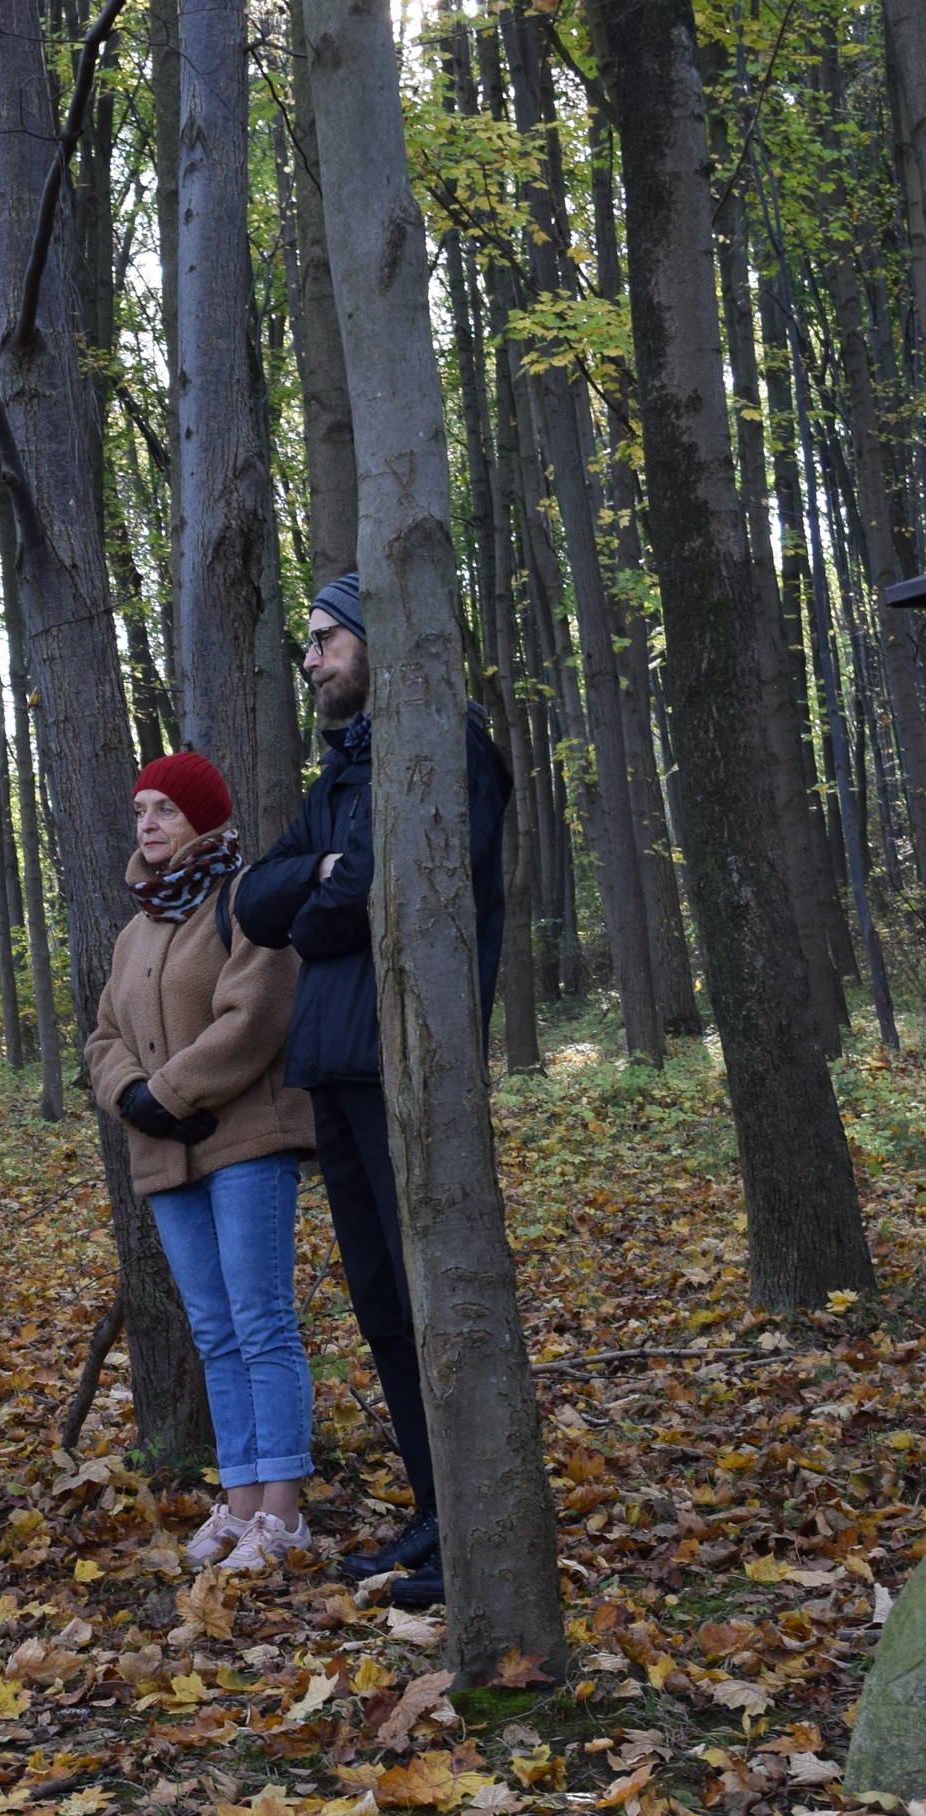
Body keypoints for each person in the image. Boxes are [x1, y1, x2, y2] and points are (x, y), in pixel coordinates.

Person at [233, 571, 512, 1597]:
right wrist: (316, 878)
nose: (309, 661)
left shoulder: (444, 752)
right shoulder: (339, 772)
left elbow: (362, 896)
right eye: (308, 644)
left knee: (432, 1302)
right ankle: (437, 1517)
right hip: (332, 1070)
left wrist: (318, 892)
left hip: (405, 1065)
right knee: (385, 1310)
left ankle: (475, 1522)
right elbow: (260, 902)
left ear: (377, 642)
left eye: (323, 641)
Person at [89, 753, 321, 1569]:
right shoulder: (133, 931)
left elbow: (257, 1015)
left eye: (167, 811)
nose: (149, 824)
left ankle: (284, 1517)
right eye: (141, 809)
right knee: (215, 1334)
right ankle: (240, 1502)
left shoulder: (245, 902)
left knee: (262, 1325)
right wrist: (133, 1096)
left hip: (246, 1139)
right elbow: (102, 1038)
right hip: (163, 1156)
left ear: (207, 821)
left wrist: (172, 1091)